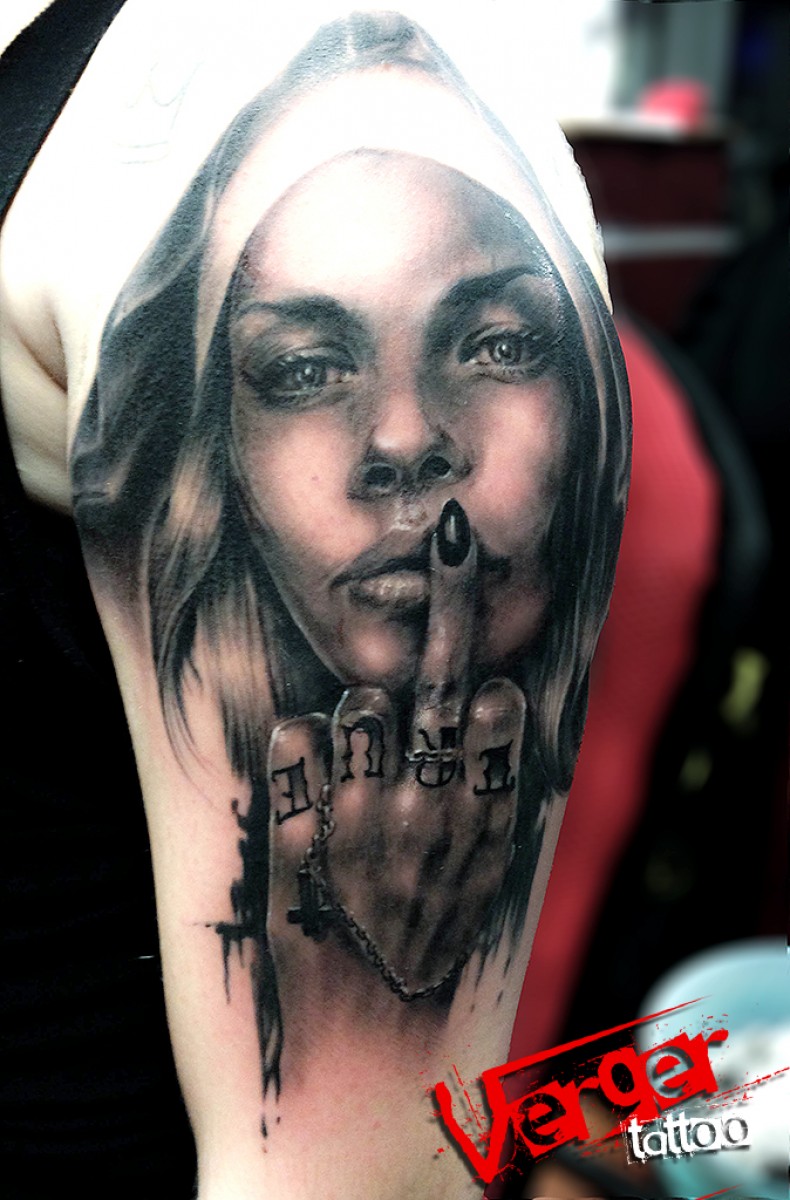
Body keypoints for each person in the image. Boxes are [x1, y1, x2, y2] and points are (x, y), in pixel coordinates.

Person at [2, 5, 628, 1196]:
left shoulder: (256, 49)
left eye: (495, 345)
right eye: (304, 369)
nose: (403, 439)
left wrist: (369, 994)